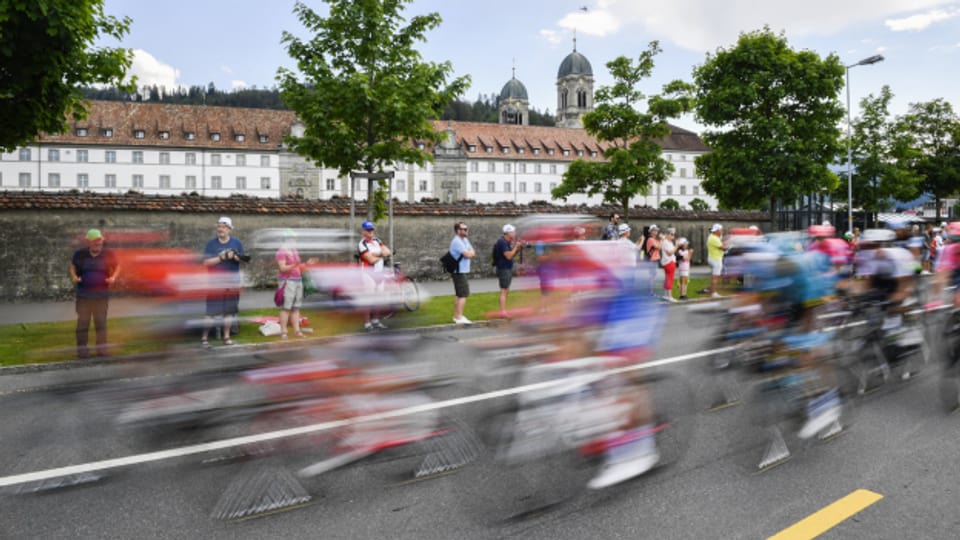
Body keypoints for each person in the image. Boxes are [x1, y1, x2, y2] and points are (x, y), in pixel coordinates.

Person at [70, 228, 119, 358]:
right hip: (84, 296)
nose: (98, 243)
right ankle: (82, 351)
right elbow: (73, 267)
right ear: (88, 242)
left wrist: (113, 277)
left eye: (100, 241)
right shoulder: (80, 254)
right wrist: (74, 277)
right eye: (95, 241)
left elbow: (117, 266)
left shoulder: (108, 254)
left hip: (101, 296)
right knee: (83, 324)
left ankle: (102, 350)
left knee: (101, 323)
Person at [201, 216, 247, 348]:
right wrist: (223, 257)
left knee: (229, 312)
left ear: (229, 229)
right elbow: (206, 262)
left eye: (224, 227)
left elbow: (243, 259)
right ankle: (204, 339)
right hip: (215, 283)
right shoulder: (211, 244)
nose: (220, 229)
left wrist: (237, 257)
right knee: (211, 312)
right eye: (219, 226)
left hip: (232, 282)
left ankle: (227, 337)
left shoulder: (237, 243)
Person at [276, 229, 318, 338]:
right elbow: (282, 268)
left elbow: (298, 266)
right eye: (293, 239)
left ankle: (297, 331)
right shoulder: (281, 252)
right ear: (287, 239)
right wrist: (294, 265)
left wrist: (306, 264)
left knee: (296, 307)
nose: (295, 241)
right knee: (286, 308)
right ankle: (284, 332)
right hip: (288, 281)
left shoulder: (294, 250)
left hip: (298, 280)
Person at [357, 220, 392, 331]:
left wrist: (376, 254)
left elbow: (388, 252)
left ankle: (376, 321)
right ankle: (367, 324)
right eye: (368, 230)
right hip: (368, 274)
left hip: (379, 273)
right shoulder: (362, 244)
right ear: (363, 231)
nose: (370, 232)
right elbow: (371, 260)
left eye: (372, 229)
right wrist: (381, 255)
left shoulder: (377, 240)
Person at [493, 224, 523, 318]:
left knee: (506, 290)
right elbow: (508, 255)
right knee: (504, 290)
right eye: (513, 232)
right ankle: (502, 312)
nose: (514, 233)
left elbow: (512, 255)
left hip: (507, 268)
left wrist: (517, 247)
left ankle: (504, 310)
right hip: (503, 268)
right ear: (508, 232)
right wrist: (515, 247)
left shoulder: (507, 242)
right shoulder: (502, 242)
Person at [449, 221, 476, 324]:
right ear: (458, 231)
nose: (466, 231)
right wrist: (470, 253)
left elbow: (473, 251)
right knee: (463, 294)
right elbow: (468, 254)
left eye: (466, 229)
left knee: (459, 294)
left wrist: (470, 253)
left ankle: (456, 316)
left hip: (462, 270)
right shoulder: (457, 241)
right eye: (464, 229)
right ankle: (459, 318)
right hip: (459, 271)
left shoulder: (465, 240)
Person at [706, 223, 727, 298]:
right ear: (717, 230)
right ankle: (714, 293)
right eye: (721, 230)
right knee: (715, 277)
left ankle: (710, 290)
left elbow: (722, 245)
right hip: (716, 259)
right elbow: (723, 248)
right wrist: (727, 245)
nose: (722, 231)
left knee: (714, 277)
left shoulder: (713, 237)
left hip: (714, 258)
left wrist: (724, 244)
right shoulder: (714, 238)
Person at [660, 227, 678, 302]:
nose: (673, 236)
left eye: (673, 234)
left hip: (669, 261)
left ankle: (665, 295)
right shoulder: (666, 242)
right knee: (670, 278)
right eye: (671, 234)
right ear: (667, 235)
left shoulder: (668, 242)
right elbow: (670, 253)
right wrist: (677, 246)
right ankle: (670, 296)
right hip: (669, 262)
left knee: (668, 278)